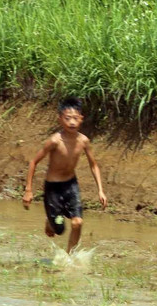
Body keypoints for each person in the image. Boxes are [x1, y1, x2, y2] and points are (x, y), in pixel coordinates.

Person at [22, 97, 107, 253]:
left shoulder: (84, 141)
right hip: (53, 188)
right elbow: (33, 162)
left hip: (71, 185)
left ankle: (69, 256)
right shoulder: (54, 141)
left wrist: (100, 190)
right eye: (68, 118)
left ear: (81, 118)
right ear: (60, 119)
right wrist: (28, 190)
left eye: (75, 118)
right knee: (57, 230)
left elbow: (93, 164)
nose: (72, 122)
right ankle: (50, 221)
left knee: (77, 223)